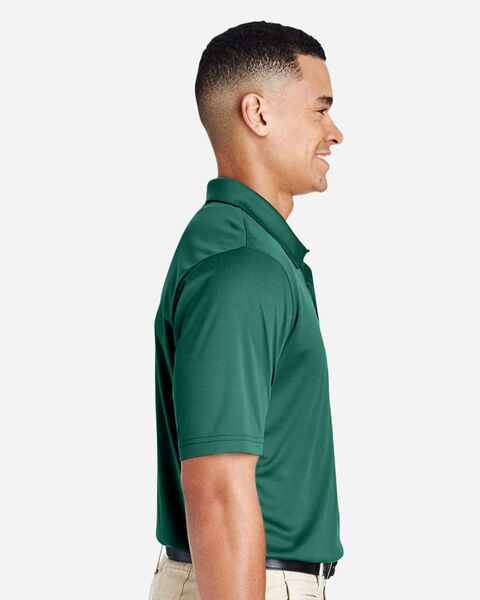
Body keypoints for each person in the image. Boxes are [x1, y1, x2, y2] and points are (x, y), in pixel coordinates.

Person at [149, 20, 344, 600]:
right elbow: (217, 489)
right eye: (320, 110)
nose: (334, 133)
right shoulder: (242, 268)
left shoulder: (252, 253)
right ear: (258, 114)